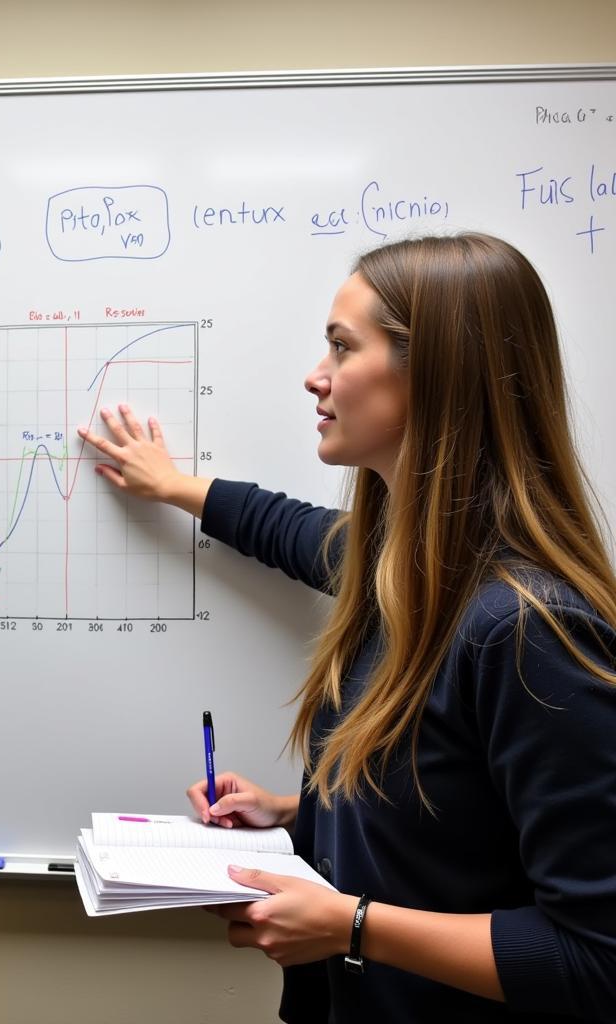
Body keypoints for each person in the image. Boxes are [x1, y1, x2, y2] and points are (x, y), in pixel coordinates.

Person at [76, 233, 616, 1023]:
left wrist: (350, 925)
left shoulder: (525, 628)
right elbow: (289, 531)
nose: (314, 375)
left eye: (341, 346)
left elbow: (596, 959)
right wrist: (302, 814)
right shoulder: (399, 573)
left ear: (432, 373)